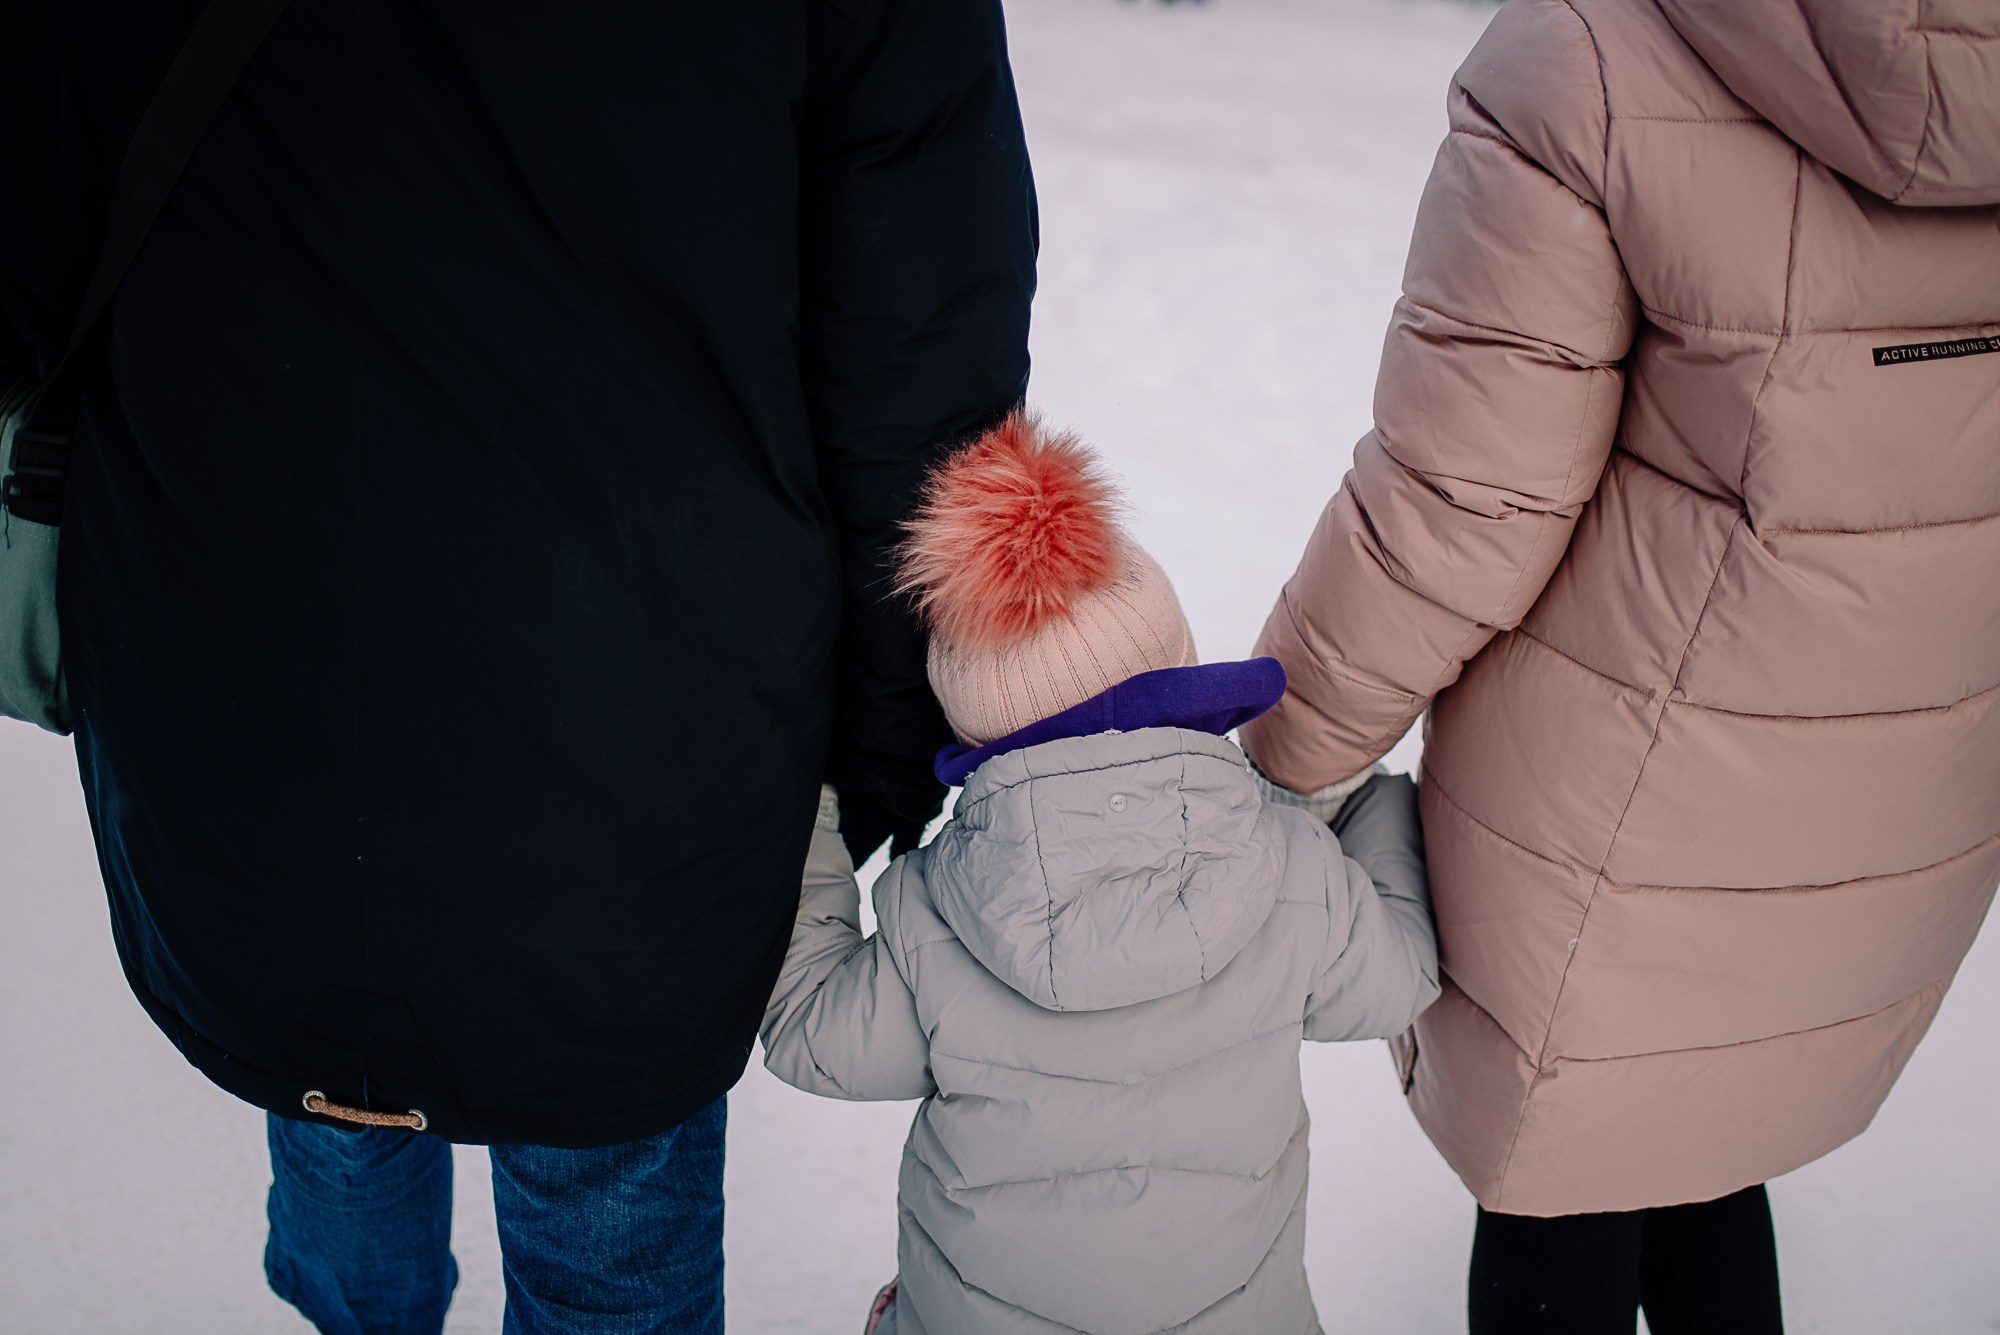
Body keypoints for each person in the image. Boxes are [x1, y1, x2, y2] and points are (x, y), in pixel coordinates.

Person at [0, 0, 1036, 1330]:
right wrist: (875, 749)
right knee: (604, 1237)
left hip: (243, 676)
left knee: (333, 1091)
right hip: (649, 723)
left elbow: (32, 229)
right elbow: (923, 366)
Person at [1240, 0, 2000, 1330]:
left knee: (1570, 1184)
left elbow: (1461, 498)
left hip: (1614, 812)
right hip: (1901, 809)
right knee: (1708, 1136)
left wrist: (1280, 752)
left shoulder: (1590, 57)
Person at [760, 413, 1440, 1334]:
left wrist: (811, 824)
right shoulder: (1288, 868)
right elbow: (1398, 978)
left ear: (974, 730)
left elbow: (813, 1033)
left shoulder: (936, 916)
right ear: (1176, 665)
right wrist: (1367, 803)